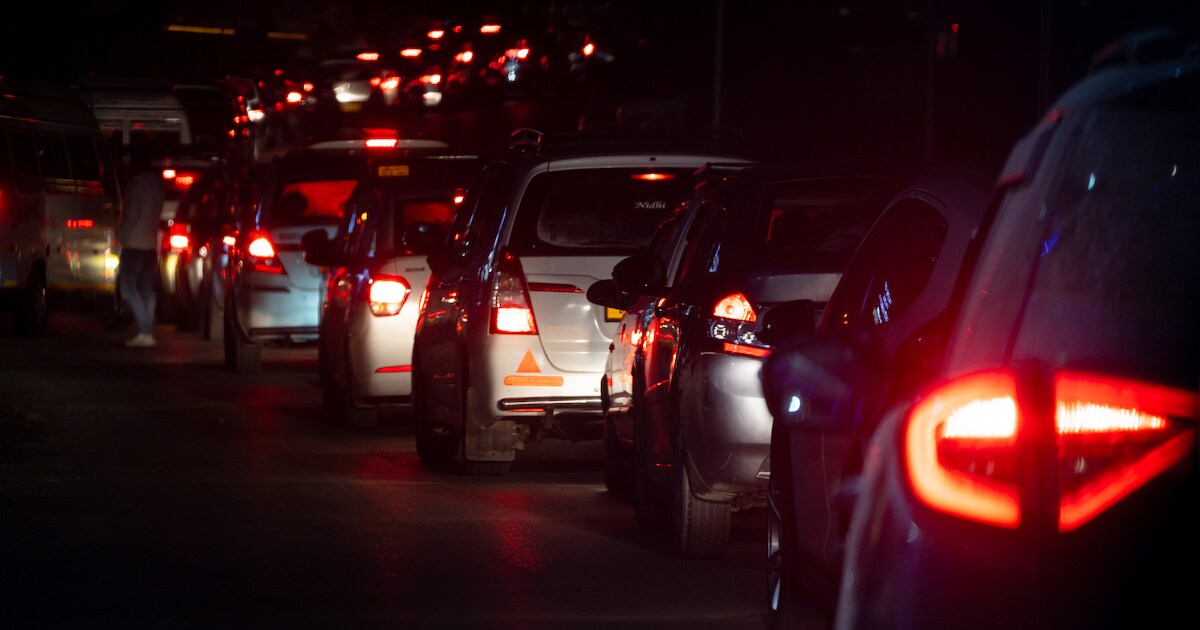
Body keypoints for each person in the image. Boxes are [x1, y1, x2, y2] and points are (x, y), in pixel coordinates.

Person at [116, 149, 165, 348]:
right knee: (147, 289)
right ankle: (147, 331)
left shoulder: (136, 185)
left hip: (134, 244)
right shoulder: (157, 184)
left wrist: (120, 236)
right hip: (150, 244)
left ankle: (145, 330)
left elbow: (131, 215)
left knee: (127, 289)